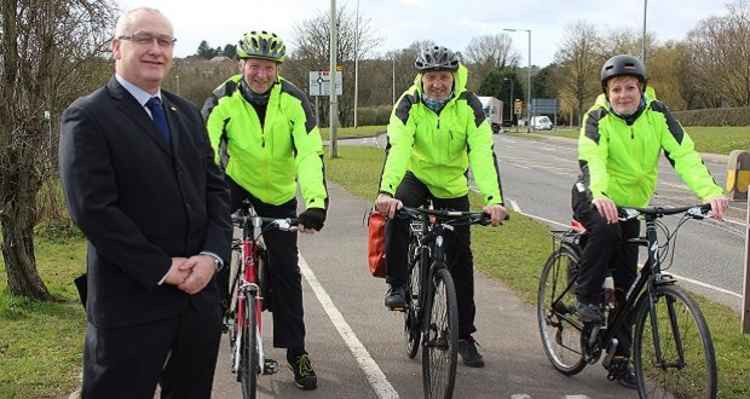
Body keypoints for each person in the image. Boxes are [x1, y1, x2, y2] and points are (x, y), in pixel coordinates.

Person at [59, 7, 232, 399]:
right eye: (144, 39)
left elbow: (216, 193)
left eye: (165, 41)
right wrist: (162, 268)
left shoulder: (186, 113)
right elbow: (93, 210)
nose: (156, 49)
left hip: (197, 303)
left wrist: (212, 257)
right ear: (116, 48)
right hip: (129, 308)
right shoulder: (87, 117)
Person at [572, 54, 729, 388]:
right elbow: (592, 158)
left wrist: (710, 192)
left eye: (630, 87)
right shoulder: (597, 116)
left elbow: (683, 155)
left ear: (642, 89)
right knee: (604, 228)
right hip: (594, 193)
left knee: (628, 283)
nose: (623, 95)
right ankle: (586, 296)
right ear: (607, 92)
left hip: (634, 203)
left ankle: (619, 359)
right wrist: (600, 193)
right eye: (616, 89)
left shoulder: (658, 115)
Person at [201, 30, 328, 390]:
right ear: (241, 65)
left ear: (277, 69)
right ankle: (212, 322)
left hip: (278, 195)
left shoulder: (293, 101)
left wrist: (316, 203)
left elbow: (308, 153)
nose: (260, 74)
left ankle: (297, 352)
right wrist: (204, 199)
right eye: (254, 66)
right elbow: (206, 150)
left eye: (268, 67)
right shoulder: (222, 99)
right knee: (211, 253)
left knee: (287, 270)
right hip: (233, 186)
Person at [375, 46, 507, 368]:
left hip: (452, 184)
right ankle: (399, 285)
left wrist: (494, 201)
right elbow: (399, 148)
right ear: (421, 78)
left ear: (453, 77)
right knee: (398, 213)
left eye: (443, 77)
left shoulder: (469, 106)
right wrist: (386, 191)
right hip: (415, 175)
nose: (437, 83)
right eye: (431, 77)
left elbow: (482, 153)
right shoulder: (409, 104)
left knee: (461, 258)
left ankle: (463, 335)